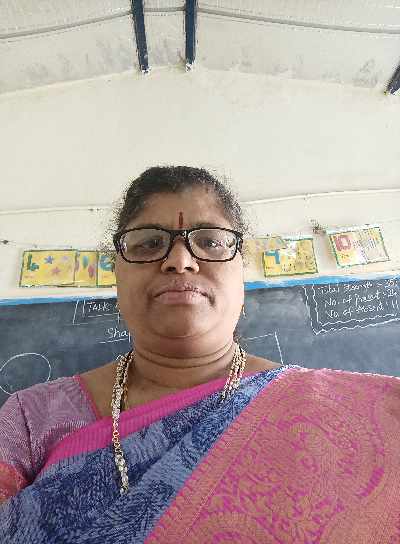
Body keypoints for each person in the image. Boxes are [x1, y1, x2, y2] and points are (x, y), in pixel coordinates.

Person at [0, 166, 399, 543]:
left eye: (209, 241)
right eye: (149, 243)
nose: (179, 260)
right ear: (117, 272)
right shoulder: (30, 419)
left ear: (241, 271)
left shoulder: (368, 413)